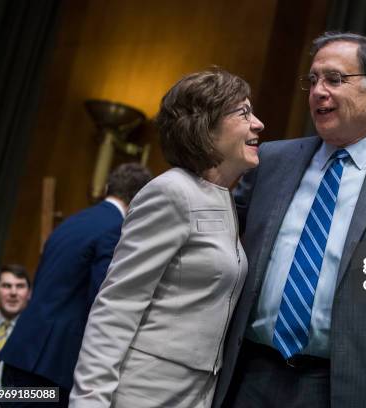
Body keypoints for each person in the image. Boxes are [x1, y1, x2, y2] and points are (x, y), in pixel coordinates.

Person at [213, 31, 366, 408]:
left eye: (334, 79)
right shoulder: (271, 161)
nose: (318, 91)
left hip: (347, 388)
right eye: (312, 80)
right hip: (250, 376)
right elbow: (221, 242)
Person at [69, 69, 264, 408]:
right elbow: (117, 305)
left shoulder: (223, 199)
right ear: (205, 124)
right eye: (243, 112)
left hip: (195, 394)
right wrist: (90, 400)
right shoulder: (171, 191)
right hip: (144, 390)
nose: (258, 123)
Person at [0, 163, 152, 407]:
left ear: (107, 188)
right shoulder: (115, 230)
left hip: (21, 353)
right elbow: (102, 300)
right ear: (140, 200)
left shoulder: (73, 221)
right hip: (50, 369)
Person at [0, 265, 31, 397]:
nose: (13, 292)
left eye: (20, 286)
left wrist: (1, 398)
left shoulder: (39, 333)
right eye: (6, 286)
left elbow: (51, 394)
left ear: (29, 294)